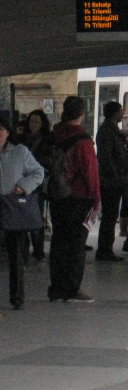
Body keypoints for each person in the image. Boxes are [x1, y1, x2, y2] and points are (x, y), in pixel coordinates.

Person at [44, 96, 100, 303]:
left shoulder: (54, 136)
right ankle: (72, 288)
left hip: (57, 195)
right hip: (78, 197)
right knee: (76, 245)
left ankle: (56, 287)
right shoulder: (83, 141)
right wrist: (96, 198)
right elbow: (90, 172)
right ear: (82, 114)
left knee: (59, 242)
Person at [0, 115, 45, 309]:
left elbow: (38, 172)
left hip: (13, 209)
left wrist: (23, 186)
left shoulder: (20, 152)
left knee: (16, 255)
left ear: (8, 132)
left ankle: (17, 297)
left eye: (1, 129)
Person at [95, 101, 128, 262]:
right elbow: (107, 157)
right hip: (111, 181)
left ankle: (106, 248)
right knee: (110, 215)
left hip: (113, 179)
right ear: (115, 113)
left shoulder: (111, 130)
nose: (123, 113)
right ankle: (104, 249)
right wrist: (115, 175)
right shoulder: (108, 131)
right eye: (121, 110)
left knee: (111, 215)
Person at [20, 109, 53, 262]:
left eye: (37, 122)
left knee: (36, 217)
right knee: (21, 216)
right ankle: (24, 247)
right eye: (32, 121)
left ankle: (38, 249)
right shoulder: (21, 139)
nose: (33, 124)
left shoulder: (46, 140)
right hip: (21, 183)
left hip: (37, 185)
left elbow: (49, 161)